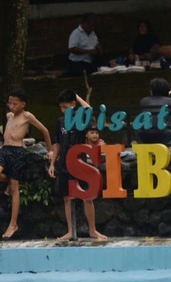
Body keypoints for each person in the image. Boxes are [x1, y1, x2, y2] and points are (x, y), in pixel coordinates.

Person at [48, 89, 107, 241]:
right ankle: (70, 231)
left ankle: (92, 230)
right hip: (64, 163)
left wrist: (77, 96)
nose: (64, 110)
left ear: (73, 105)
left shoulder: (81, 118)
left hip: (80, 162)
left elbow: (89, 109)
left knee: (87, 197)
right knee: (67, 198)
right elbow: (58, 144)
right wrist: (53, 163)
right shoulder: (60, 122)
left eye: (67, 107)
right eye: (61, 107)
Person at [0, 87, 53, 239]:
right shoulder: (9, 115)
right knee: (9, 182)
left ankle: (13, 224)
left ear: (23, 104)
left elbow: (45, 131)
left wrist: (49, 151)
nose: (12, 106)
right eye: (10, 103)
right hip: (4, 150)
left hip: (17, 152)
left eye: (15, 103)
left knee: (15, 187)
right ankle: (8, 183)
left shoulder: (27, 116)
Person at [135, 78, 171, 145]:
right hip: (165, 135)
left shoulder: (143, 101)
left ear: (152, 90)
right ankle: (169, 142)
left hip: (144, 135)